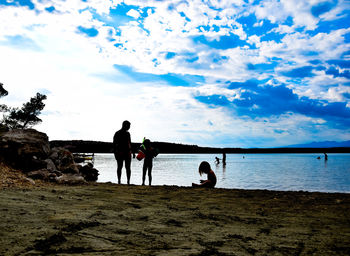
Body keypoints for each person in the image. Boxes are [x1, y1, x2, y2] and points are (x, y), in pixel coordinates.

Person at [113, 120, 132, 185]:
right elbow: (114, 144)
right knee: (120, 167)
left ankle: (128, 181)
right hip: (120, 152)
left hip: (127, 152)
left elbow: (129, 143)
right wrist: (115, 153)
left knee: (127, 167)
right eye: (129, 126)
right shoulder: (118, 133)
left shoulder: (127, 133)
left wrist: (132, 152)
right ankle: (119, 181)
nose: (129, 127)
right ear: (125, 125)